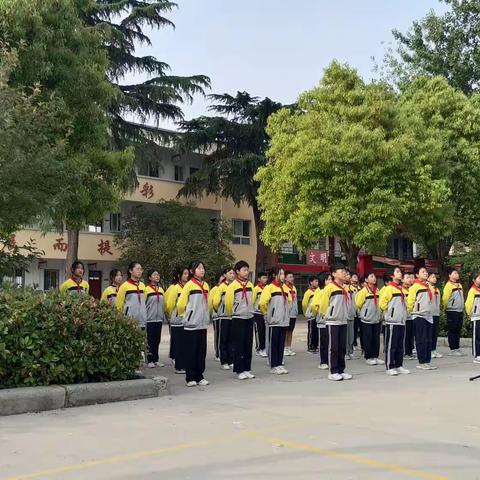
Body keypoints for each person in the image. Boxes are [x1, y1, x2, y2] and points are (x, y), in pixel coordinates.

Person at [177, 261, 211, 387]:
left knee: (201, 351)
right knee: (191, 351)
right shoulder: (189, 285)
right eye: (199, 268)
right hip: (191, 324)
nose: (202, 270)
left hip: (202, 324)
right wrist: (185, 317)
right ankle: (190, 377)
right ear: (192, 271)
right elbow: (181, 304)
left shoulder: (206, 285)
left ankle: (200, 376)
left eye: (203, 268)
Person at [318, 264, 353, 381]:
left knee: (342, 347)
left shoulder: (344, 288)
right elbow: (323, 304)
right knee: (333, 347)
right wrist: (327, 315)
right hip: (333, 321)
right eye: (341, 271)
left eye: (344, 271)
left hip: (343, 320)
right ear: (334, 274)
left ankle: (341, 370)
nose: (344, 273)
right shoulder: (329, 287)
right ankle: (333, 371)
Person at [225, 260, 256, 380]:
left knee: (248, 343)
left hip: (249, 316)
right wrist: (231, 313)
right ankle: (239, 369)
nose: (246, 272)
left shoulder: (250, 285)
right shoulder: (233, 286)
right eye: (244, 270)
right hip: (238, 317)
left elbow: (252, 299)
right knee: (239, 344)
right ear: (237, 271)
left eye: (247, 270)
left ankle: (247, 368)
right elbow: (228, 302)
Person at [259, 266, 290, 375]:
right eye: (280, 274)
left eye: (283, 274)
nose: (283, 276)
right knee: (273, 343)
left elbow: (289, 301)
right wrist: (268, 315)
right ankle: (273, 365)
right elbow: (262, 303)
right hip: (274, 321)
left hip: (283, 320)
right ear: (274, 275)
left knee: (281, 343)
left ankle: (279, 364)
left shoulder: (284, 288)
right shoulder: (269, 288)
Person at [379, 267, 410, 376]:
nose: (400, 273)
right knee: (391, 345)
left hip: (401, 320)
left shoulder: (400, 288)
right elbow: (382, 303)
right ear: (392, 276)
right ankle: (390, 366)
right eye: (397, 272)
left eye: (400, 272)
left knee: (400, 345)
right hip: (392, 321)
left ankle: (398, 365)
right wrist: (391, 312)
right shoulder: (389, 288)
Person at [407, 266, 437, 370]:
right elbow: (410, 301)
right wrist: (412, 310)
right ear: (417, 275)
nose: (425, 273)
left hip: (428, 315)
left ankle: (427, 361)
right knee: (421, 339)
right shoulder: (414, 286)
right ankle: (421, 361)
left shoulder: (428, 286)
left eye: (426, 272)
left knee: (428, 339)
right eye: (423, 272)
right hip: (419, 315)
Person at [355, 272, 384, 366]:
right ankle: (368, 356)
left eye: (374, 276)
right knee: (368, 338)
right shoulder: (363, 291)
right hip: (367, 319)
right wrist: (365, 312)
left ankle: (375, 356)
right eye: (371, 276)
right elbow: (358, 304)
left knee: (376, 338)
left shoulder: (377, 290)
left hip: (376, 318)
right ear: (366, 280)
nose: (374, 278)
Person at [164, 267, 189, 374]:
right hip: (177, 320)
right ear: (179, 276)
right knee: (178, 344)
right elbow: (169, 304)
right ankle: (179, 366)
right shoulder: (175, 288)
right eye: (184, 273)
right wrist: (173, 315)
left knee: (185, 344)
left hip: (187, 320)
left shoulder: (188, 287)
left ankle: (184, 364)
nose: (186, 275)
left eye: (188, 273)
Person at [213, 267, 236, 370]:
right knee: (223, 339)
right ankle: (223, 360)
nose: (232, 275)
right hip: (223, 316)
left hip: (233, 316)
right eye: (230, 273)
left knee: (232, 339)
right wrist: (220, 311)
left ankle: (231, 360)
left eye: (233, 273)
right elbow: (216, 301)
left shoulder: (235, 285)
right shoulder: (221, 287)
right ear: (225, 275)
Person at [144, 269, 166, 368]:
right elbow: (144, 304)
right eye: (154, 275)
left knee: (157, 340)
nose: (157, 276)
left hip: (159, 319)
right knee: (150, 340)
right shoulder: (146, 289)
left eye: (158, 274)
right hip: (150, 319)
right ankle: (149, 360)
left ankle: (156, 359)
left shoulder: (161, 290)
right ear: (149, 277)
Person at [311, 272, 333, 370]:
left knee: (331, 343)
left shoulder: (332, 290)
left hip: (331, 320)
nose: (330, 281)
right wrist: (319, 315)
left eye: (331, 279)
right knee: (324, 342)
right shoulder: (319, 291)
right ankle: (323, 361)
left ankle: (330, 360)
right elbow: (314, 305)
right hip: (322, 321)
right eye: (328, 279)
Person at [442, 267, 465, 356]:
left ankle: (457, 347)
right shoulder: (448, 285)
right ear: (450, 275)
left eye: (457, 273)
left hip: (459, 310)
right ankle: (453, 349)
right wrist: (446, 307)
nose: (457, 275)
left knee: (458, 329)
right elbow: (445, 299)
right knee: (452, 329)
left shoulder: (459, 285)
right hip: (452, 310)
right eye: (454, 273)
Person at [116, 261, 147, 328]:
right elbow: (119, 305)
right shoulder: (124, 286)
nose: (140, 271)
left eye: (141, 269)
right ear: (130, 270)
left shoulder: (143, 285)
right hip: (129, 321)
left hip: (142, 321)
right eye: (137, 269)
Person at [209, 271, 226, 362]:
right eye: (222, 276)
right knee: (218, 335)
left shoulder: (227, 287)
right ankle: (218, 353)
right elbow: (211, 303)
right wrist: (215, 311)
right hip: (217, 315)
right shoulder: (215, 289)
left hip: (226, 315)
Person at [464, 272, 480, 364]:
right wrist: (470, 313)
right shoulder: (472, 290)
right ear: (474, 280)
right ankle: (477, 355)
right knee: (477, 336)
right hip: (476, 316)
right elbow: (468, 303)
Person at [253, 272, 268, 357]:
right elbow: (253, 300)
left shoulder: (267, 288)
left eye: (266, 278)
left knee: (265, 331)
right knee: (259, 331)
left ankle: (264, 348)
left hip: (265, 312)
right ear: (259, 279)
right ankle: (259, 348)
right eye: (263, 278)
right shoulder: (256, 289)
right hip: (257, 313)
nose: (265, 279)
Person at [303, 276, 319, 353]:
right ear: (311, 282)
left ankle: (316, 346)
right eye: (315, 281)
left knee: (316, 332)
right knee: (311, 332)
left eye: (317, 281)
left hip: (317, 315)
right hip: (311, 315)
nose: (317, 283)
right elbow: (304, 304)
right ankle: (310, 346)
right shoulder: (308, 292)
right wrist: (307, 312)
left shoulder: (318, 291)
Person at [428, 273, 442, 359]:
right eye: (432, 277)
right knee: (430, 333)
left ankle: (433, 349)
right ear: (428, 279)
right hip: (429, 313)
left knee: (435, 333)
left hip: (436, 313)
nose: (434, 279)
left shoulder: (436, 289)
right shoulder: (427, 288)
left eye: (435, 277)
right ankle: (429, 350)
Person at [284, 271, 298, 356]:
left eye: (292, 277)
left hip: (293, 313)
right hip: (286, 313)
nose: (292, 278)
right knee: (285, 331)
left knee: (290, 331)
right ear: (285, 278)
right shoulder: (284, 287)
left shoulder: (294, 288)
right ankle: (284, 347)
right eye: (289, 277)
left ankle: (289, 347)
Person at [402, 272, 416, 360]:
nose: (410, 279)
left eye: (410, 278)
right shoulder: (400, 290)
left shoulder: (411, 289)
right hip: (404, 316)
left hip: (412, 315)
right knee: (405, 335)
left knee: (411, 335)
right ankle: (405, 352)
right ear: (402, 279)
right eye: (407, 278)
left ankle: (410, 351)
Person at [345, 270, 357, 360]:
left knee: (351, 335)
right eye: (346, 274)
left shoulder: (352, 288)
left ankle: (350, 351)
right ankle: (345, 352)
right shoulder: (342, 287)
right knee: (345, 335)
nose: (348, 276)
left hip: (352, 314)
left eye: (349, 274)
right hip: (344, 316)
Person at [351, 273, 362, 350]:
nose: (356, 277)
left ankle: (356, 343)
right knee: (353, 328)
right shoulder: (349, 288)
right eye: (354, 276)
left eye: (356, 276)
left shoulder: (359, 288)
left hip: (359, 311)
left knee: (358, 328)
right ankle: (352, 343)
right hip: (352, 310)